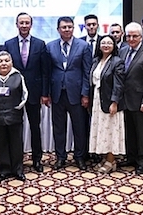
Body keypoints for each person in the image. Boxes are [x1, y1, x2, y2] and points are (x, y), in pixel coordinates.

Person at [3, 12, 50, 172]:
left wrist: (44, 93)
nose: (24, 25)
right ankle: (16, 160)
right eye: (21, 23)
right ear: (16, 24)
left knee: (35, 127)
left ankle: (37, 159)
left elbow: (45, 71)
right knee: (15, 128)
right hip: (14, 95)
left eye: (27, 23)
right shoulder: (8, 44)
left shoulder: (40, 44)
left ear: (31, 25)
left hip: (34, 93)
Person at [45, 16, 93, 170]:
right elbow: (47, 72)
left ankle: (79, 157)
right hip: (57, 93)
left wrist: (86, 94)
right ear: (58, 29)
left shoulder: (83, 46)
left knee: (79, 128)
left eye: (70, 27)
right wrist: (46, 93)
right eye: (64, 27)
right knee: (59, 128)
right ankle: (60, 157)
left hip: (77, 94)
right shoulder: (50, 46)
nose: (67, 30)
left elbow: (87, 72)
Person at [117, 22, 143, 175]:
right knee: (129, 131)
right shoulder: (122, 51)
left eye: (135, 36)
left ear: (141, 37)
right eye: (129, 36)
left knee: (142, 132)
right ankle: (131, 157)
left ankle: (142, 160)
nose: (131, 39)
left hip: (141, 101)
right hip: (125, 101)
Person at [0, 51, 28, 181]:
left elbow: (24, 94)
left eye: (6, 61)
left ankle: (18, 170)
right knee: (0, 143)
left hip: (14, 115)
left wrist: (17, 108)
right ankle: (4, 170)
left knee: (16, 143)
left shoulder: (18, 75)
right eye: (0, 61)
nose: (4, 64)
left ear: (11, 63)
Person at [88, 36, 125, 173]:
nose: (106, 45)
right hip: (98, 100)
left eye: (109, 43)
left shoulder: (117, 62)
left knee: (110, 131)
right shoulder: (96, 60)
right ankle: (106, 158)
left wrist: (114, 102)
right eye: (103, 43)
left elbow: (119, 84)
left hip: (110, 102)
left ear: (114, 46)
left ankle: (111, 160)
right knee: (101, 130)